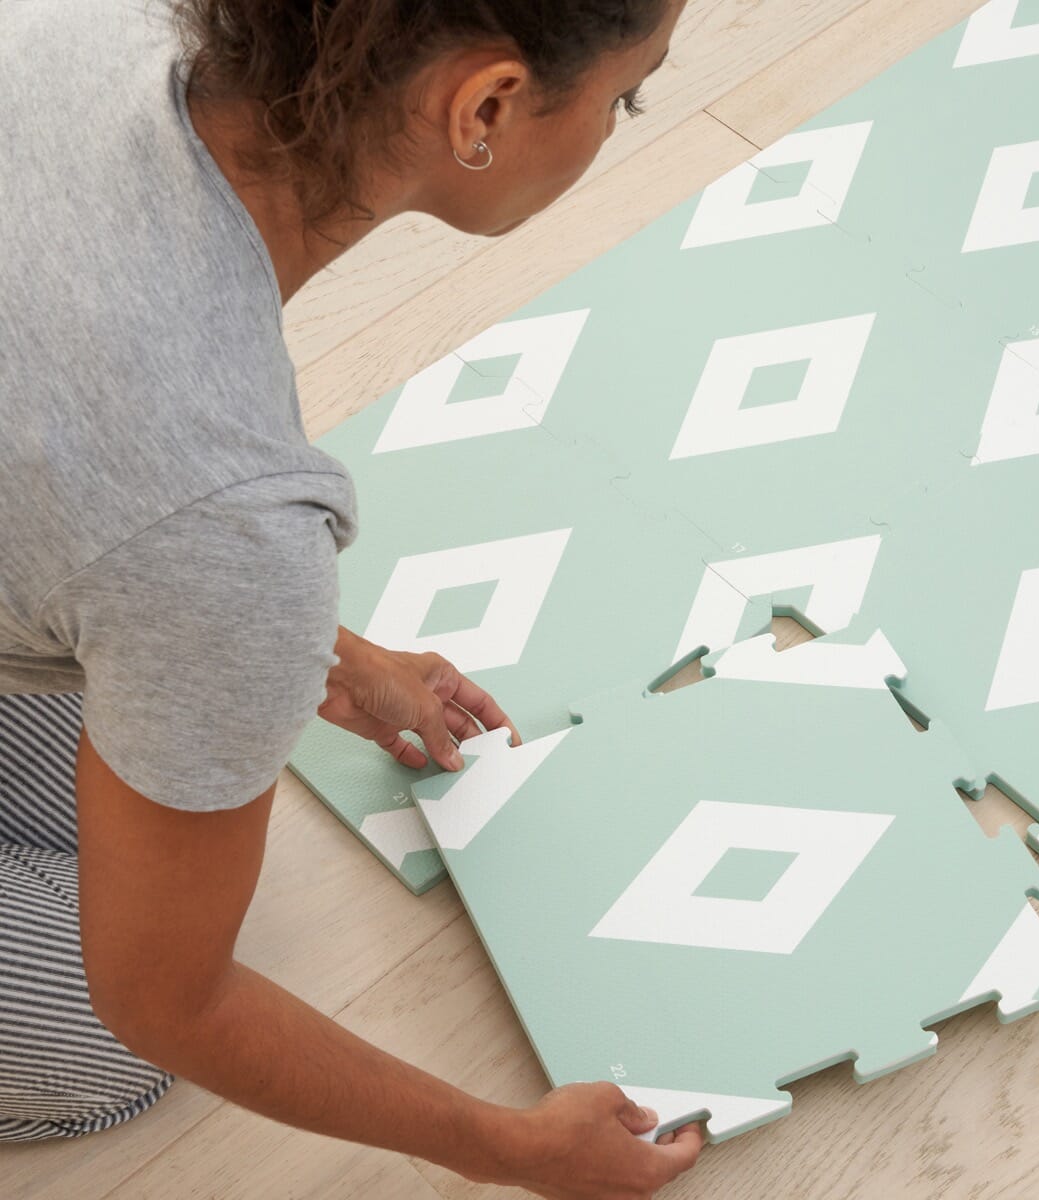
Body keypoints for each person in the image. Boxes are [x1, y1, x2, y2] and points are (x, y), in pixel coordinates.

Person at [0, 0, 703, 1194]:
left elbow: (91, 477)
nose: (618, 122)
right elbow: (168, 1001)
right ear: (485, 106)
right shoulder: (225, 520)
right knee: (111, 1035)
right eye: (625, 96)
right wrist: (510, 1146)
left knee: (146, 792)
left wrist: (310, 653)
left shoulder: (91, 29)